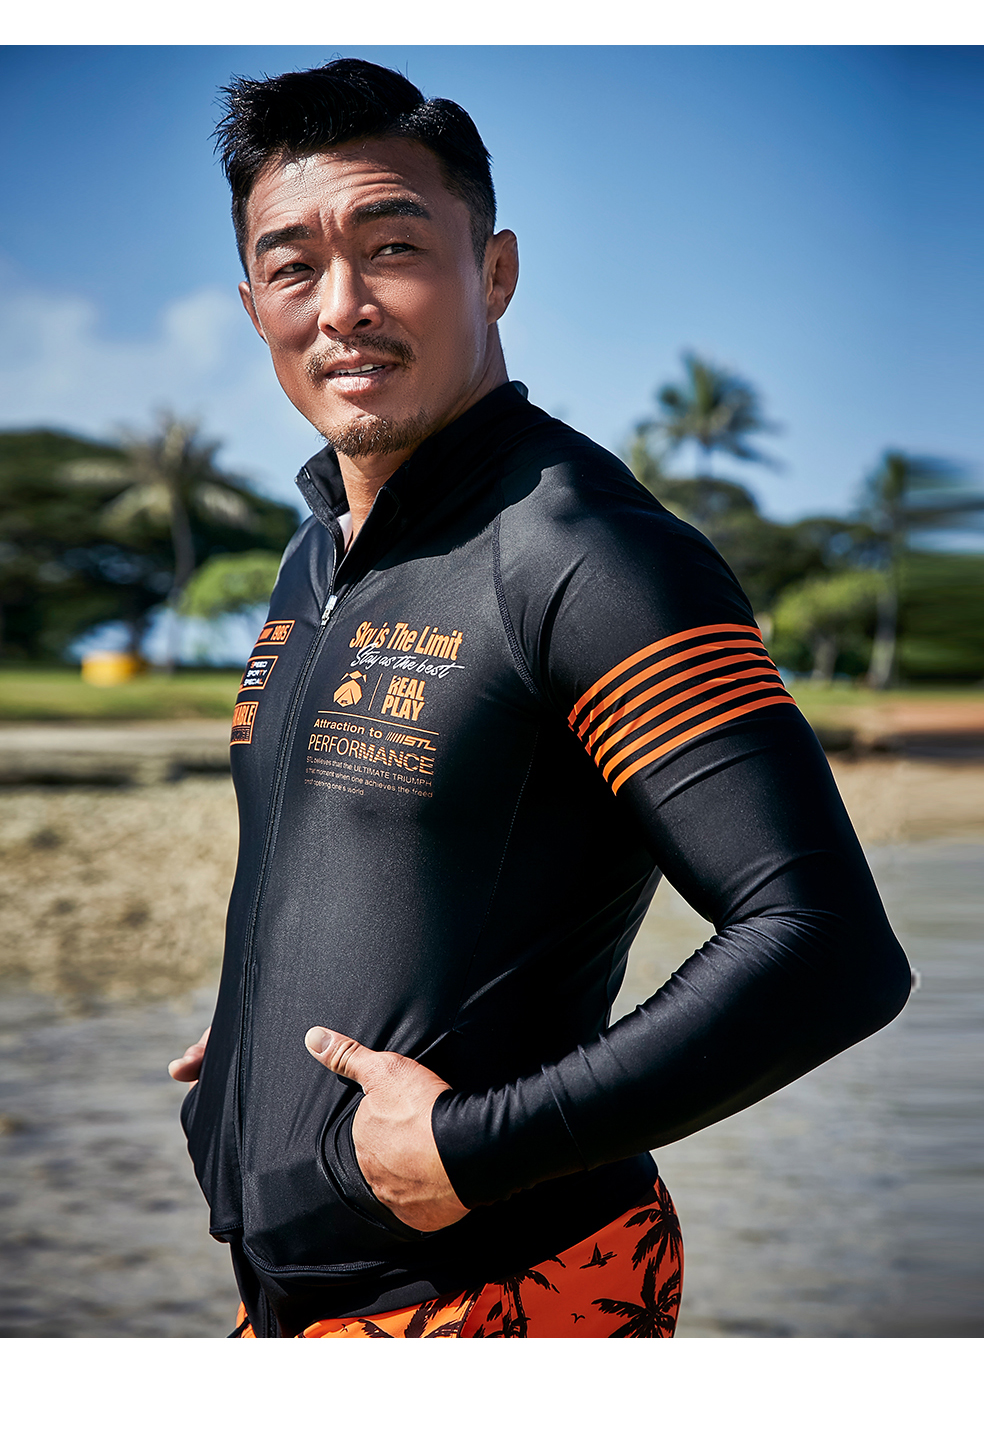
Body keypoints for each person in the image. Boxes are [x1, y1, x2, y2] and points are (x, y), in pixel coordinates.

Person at [168, 58, 911, 1339]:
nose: (342, 307)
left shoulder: (587, 553)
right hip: (291, 1301)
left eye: (393, 248)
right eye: (293, 268)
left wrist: (474, 1147)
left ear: (494, 271)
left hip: (508, 1289)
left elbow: (828, 947)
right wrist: (260, 1024)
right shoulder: (318, 557)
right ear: (252, 305)